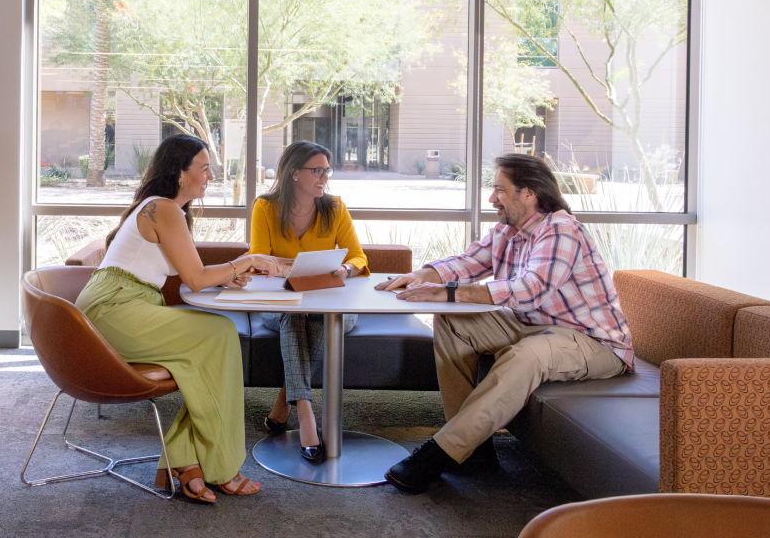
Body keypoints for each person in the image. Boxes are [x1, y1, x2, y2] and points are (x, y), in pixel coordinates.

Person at [375, 153, 634, 494]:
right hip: (538, 324)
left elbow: (529, 290)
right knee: (453, 322)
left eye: (499, 189)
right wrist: (420, 276)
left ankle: (441, 452)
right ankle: (474, 451)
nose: (491, 197)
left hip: (593, 341)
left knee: (527, 355)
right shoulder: (507, 231)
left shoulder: (561, 230)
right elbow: (468, 262)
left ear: (529, 193)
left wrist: (450, 292)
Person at [74, 134, 286, 504]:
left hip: (123, 304)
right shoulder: (164, 208)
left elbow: (195, 273)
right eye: (203, 168)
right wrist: (247, 261)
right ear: (179, 172)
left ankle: (185, 461)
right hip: (113, 309)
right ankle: (214, 466)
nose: (210, 176)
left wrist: (229, 275)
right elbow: (196, 279)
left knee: (212, 348)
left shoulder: (166, 210)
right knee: (220, 333)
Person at [248, 141, 369, 462]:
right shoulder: (265, 208)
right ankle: (306, 415)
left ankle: (286, 400)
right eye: (317, 170)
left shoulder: (335, 207)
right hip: (283, 304)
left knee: (317, 321)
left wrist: (344, 268)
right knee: (293, 316)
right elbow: (257, 257)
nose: (324, 177)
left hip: (331, 304)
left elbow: (358, 256)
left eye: (326, 170)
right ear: (293, 173)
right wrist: (285, 268)